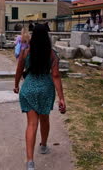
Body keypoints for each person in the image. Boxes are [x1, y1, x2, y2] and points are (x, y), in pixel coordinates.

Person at [13, 24, 66, 170]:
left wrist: (16, 85)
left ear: (33, 36)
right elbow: (55, 75)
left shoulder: (25, 51)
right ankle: (43, 146)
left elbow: (19, 71)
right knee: (44, 118)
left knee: (31, 124)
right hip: (45, 88)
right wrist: (62, 98)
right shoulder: (52, 54)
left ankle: (30, 162)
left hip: (28, 88)